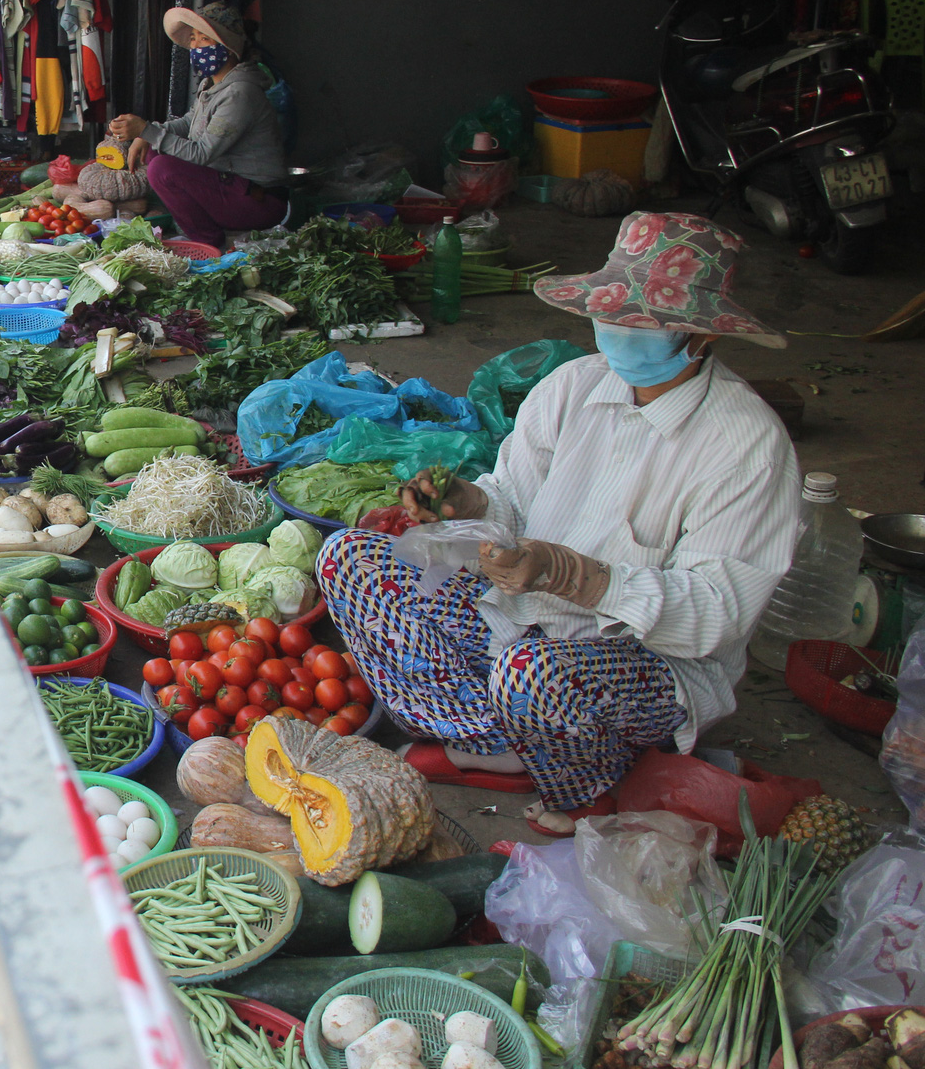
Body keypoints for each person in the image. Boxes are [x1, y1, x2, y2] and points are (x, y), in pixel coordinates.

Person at [315, 213, 800, 837]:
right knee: (348, 559)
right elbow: (512, 499)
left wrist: (574, 576)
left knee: (534, 673)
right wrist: (467, 504)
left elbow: (716, 614)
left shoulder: (747, 445)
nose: (621, 331)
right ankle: (494, 746)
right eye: (614, 313)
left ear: (702, 334)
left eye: (646, 322)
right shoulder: (573, 386)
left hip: (640, 662)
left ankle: (587, 780)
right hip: (519, 617)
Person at [105, 1, 288, 248]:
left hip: (260, 200)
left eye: (204, 39)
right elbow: (188, 123)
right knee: (154, 151)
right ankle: (204, 231)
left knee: (162, 168)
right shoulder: (212, 85)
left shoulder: (240, 93)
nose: (195, 46)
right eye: (193, 38)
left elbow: (201, 153)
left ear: (227, 47)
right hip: (232, 186)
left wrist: (146, 130)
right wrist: (146, 133)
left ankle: (208, 241)